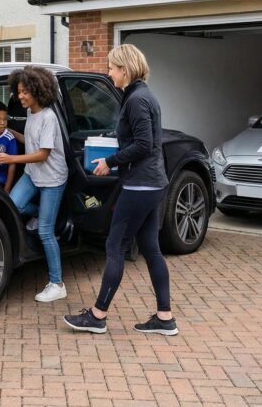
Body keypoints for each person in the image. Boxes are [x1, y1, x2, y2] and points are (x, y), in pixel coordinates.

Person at [63, 44, 177, 335]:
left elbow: (143, 143)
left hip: (140, 184)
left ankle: (98, 315)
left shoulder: (137, 99)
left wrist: (110, 162)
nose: (109, 72)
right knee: (151, 249)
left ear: (125, 69)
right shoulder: (143, 96)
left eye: (112, 67)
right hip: (152, 182)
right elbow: (145, 142)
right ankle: (165, 318)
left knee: (114, 246)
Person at [0, 66, 69, 303]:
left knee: (46, 232)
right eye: (19, 92)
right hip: (33, 174)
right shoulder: (31, 114)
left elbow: (43, 153)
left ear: (38, 90)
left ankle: (57, 284)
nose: (21, 96)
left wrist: (11, 159)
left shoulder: (48, 117)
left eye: (25, 92)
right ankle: (43, 215)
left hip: (52, 178)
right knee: (14, 205)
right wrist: (12, 133)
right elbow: (32, 142)